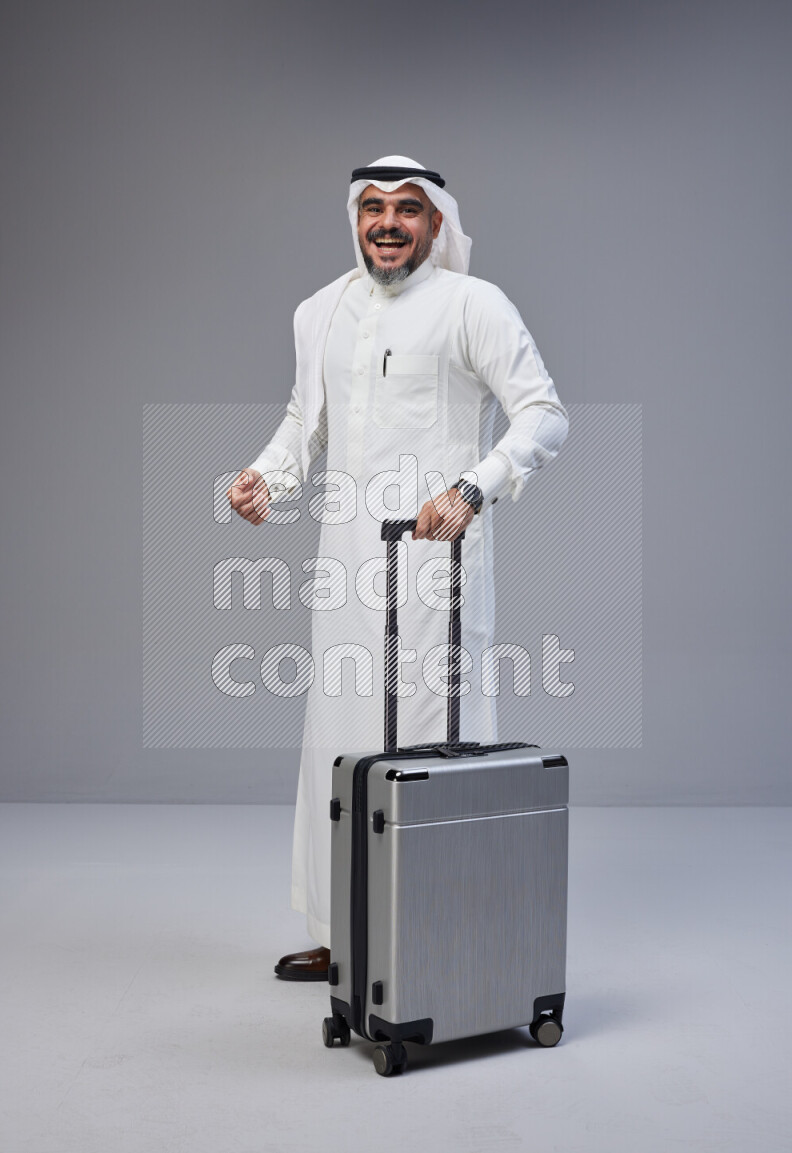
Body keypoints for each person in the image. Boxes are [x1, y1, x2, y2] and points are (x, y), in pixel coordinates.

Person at [228, 156, 569, 980]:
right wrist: (265, 480)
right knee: (337, 743)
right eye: (373, 207)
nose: (387, 222)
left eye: (407, 209)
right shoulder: (321, 310)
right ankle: (342, 930)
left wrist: (474, 488)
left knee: (433, 740)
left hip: (436, 569)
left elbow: (544, 415)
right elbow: (304, 422)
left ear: (437, 223)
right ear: (355, 217)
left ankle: (434, 931)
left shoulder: (471, 305)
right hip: (345, 564)